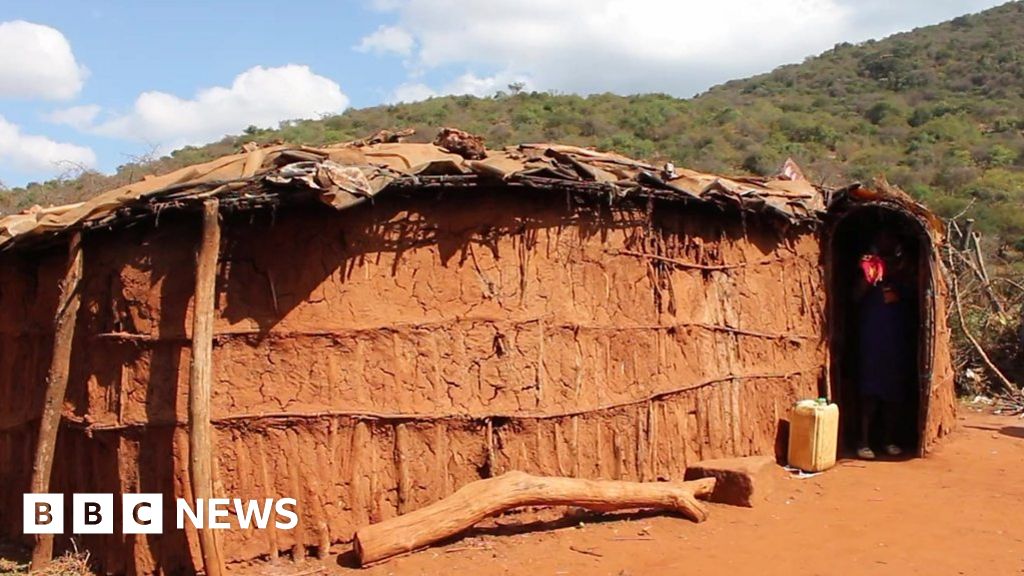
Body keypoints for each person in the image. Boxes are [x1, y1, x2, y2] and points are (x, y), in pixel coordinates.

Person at [853, 231, 914, 459]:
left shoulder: (904, 271)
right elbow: (854, 297)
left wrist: (896, 285)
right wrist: (868, 279)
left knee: (893, 391)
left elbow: (915, 299)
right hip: (872, 338)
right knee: (869, 391)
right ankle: (864, 441)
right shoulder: (867, 267)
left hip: (896, 339)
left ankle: (889, 440)